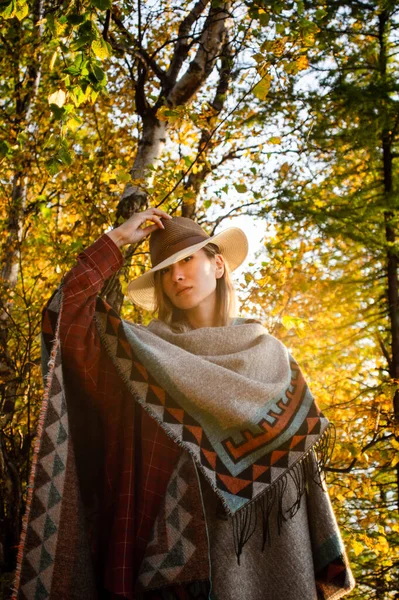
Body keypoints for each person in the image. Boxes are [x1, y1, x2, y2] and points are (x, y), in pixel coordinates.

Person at [13, 209, 355, 600]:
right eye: (164, 270)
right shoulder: (139, 356)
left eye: (187, 259)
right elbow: (65, 318)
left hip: (265, 561)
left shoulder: (272, 358)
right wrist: (117, 241)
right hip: (168, 574)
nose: (175, 275)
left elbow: (301, 480)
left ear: (219, 264)